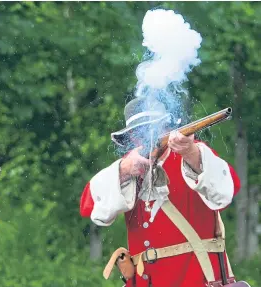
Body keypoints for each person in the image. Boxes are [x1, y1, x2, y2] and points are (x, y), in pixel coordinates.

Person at [80, 97, 241, 287]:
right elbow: (88, 205)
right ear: (131, 138)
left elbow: (229, 188)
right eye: (137, 133)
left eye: (152, 128)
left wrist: (191, 153)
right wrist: (124, 169)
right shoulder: (129, 167)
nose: (144, 136)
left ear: (167, 126)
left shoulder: (194, 155)